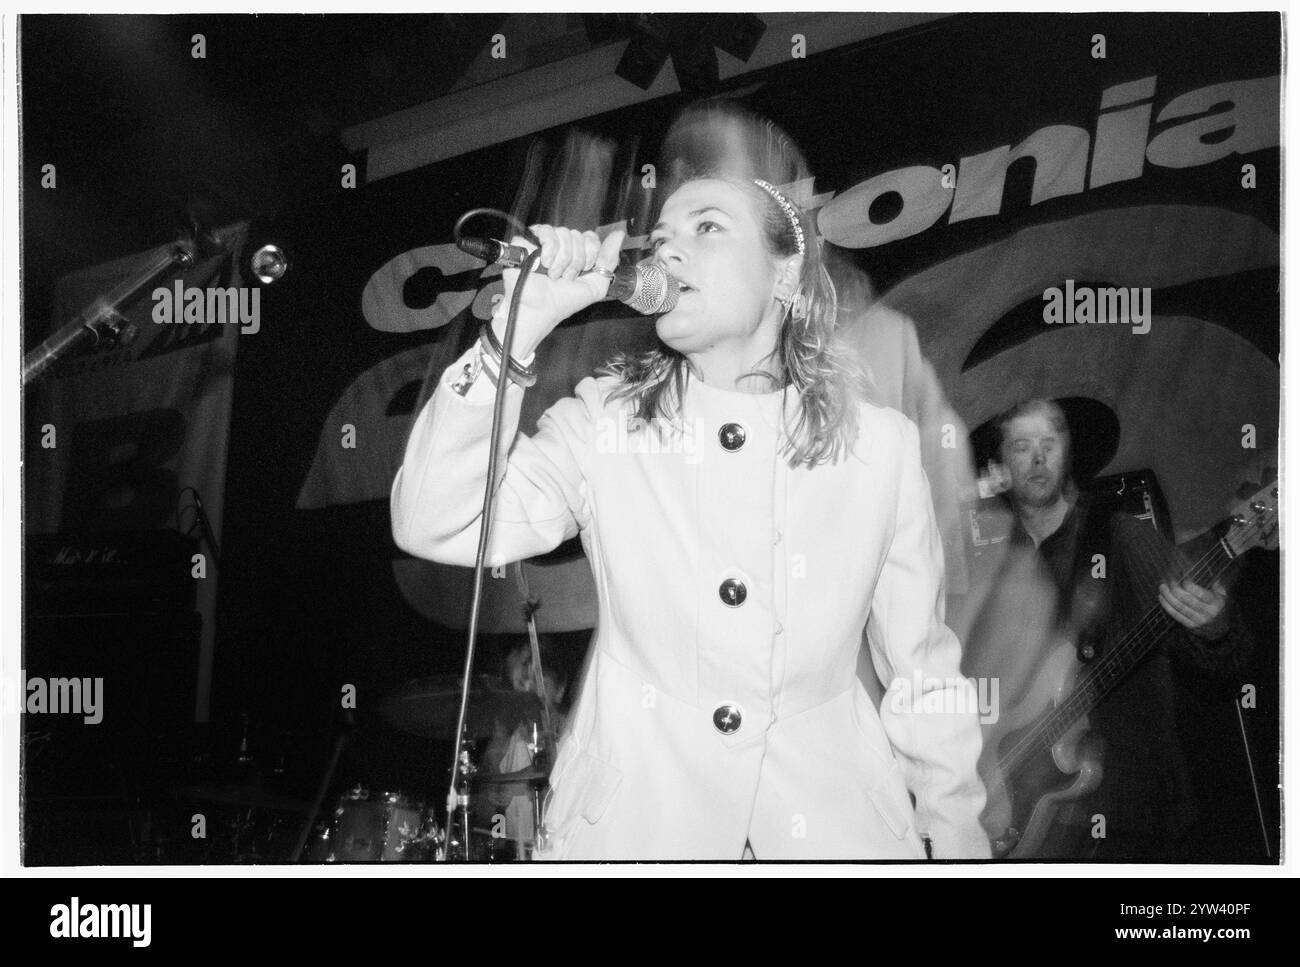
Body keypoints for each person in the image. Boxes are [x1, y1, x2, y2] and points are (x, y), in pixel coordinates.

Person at [391, 112, 988, 860]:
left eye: (707, 226)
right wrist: (514, 334)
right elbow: (433, 520)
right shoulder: (605, 419)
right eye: (662, 234)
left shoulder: (882, 448)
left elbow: (923, 674)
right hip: (633, 835)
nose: (669, 246)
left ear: (785, 273)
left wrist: (959, 840)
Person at [958, 398, 1251, 860]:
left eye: (1049, 443)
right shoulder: (996, 569)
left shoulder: (1120, 537)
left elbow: (1228, 662)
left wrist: (1215, 626)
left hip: (1130, 812)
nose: (1038, 458)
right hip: (1041, 821)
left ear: (1068, 453)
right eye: (1021, 446)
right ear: (1000, 468)